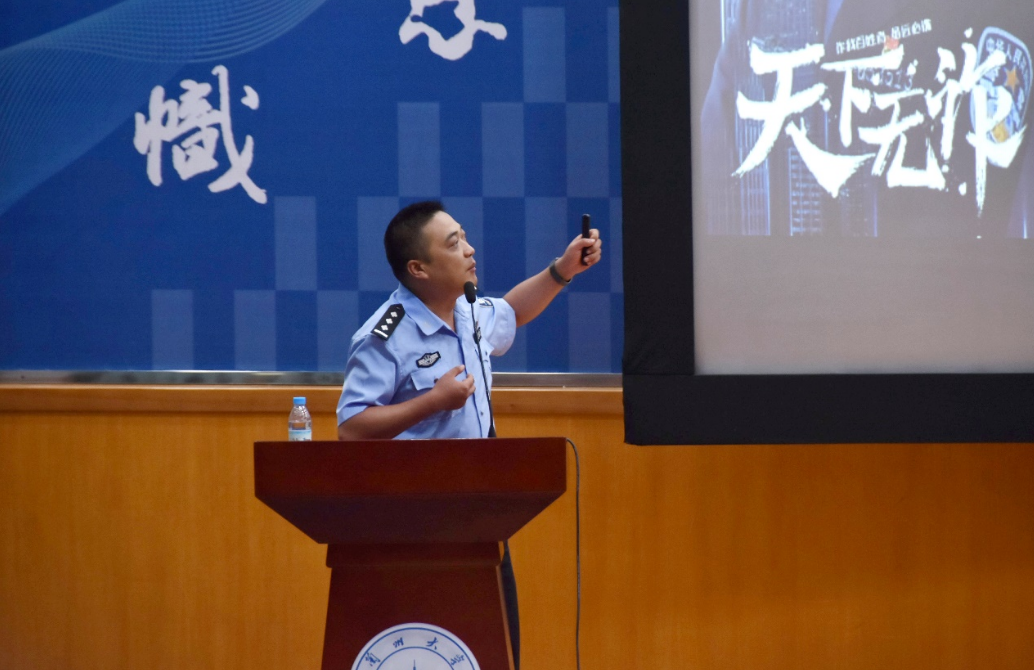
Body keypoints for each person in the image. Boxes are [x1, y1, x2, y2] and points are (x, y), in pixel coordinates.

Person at [336, 199, 602, 668]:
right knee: (431, 642)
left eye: (464, 236)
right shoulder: (385, 335)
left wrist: (562, 271)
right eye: (454, 242)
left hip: (481, 508)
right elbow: (352, 427)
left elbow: (512, 312)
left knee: (494, 642)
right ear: (418, 268)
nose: (470, 249)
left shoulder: (468, 309)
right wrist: (432, 402)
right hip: (415, 519)